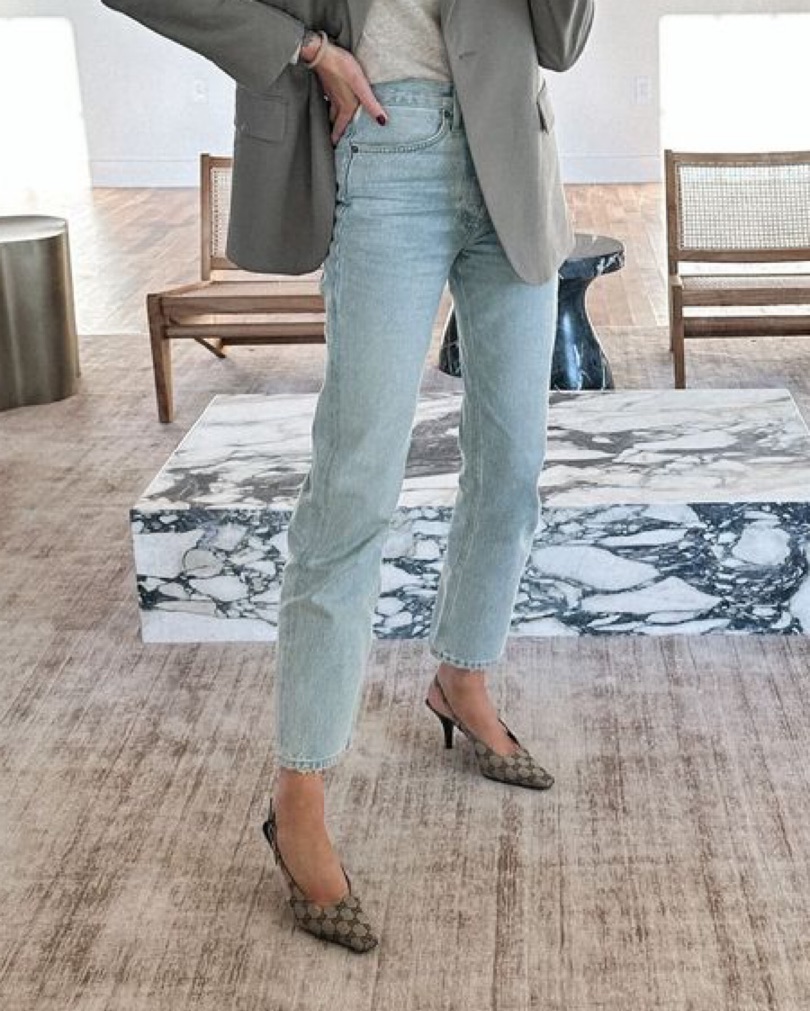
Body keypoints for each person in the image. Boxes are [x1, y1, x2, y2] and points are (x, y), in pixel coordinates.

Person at [101, 0, 595, 954]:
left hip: (515, 159)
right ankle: (299, 791)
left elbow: (561, 43)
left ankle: (462, 676)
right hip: (384, 149)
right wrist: (308, 50)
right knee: (353, 491)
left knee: (513, 468)